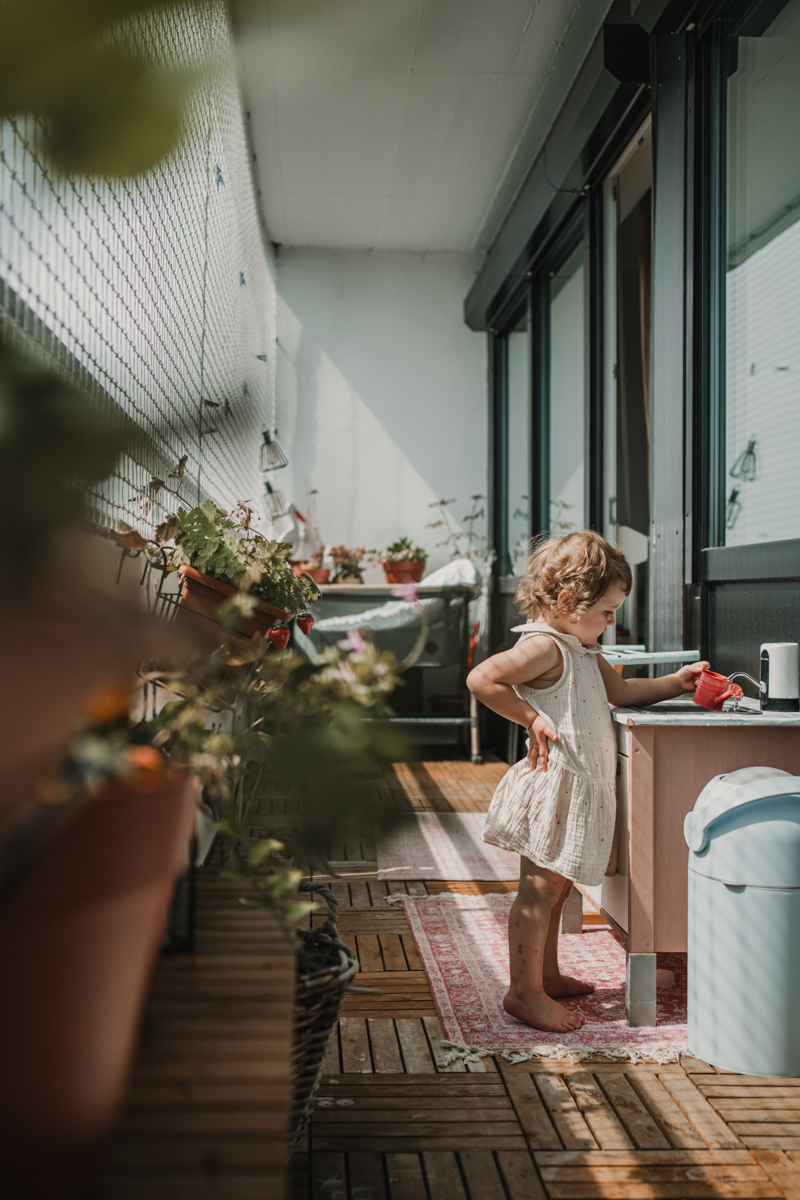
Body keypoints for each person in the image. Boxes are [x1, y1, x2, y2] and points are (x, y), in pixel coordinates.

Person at [466, 531, 707, 1034]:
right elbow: (482, 678)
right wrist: (530, 717)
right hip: (556, 786)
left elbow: (622, 692)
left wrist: (675, 683)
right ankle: (523, 992)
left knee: (556, 892)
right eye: (607, 611)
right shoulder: (544, 647)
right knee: (538, 892)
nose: (611, 622)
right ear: (566, 601)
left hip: (578, 788)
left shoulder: (582, 648)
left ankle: (546, 976)